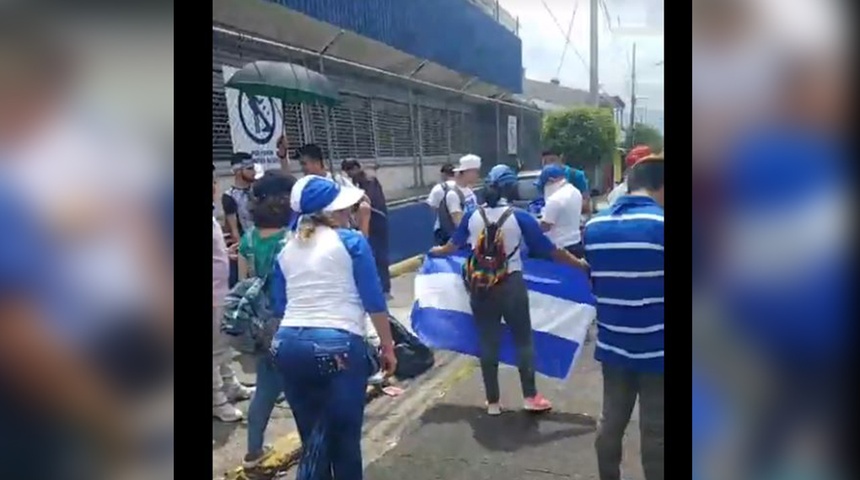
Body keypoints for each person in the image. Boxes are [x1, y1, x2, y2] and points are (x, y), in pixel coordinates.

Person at [429, 165, 589, 416]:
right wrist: (579, 264)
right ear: (509, 190)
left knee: (487, 340)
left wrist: (431, 254)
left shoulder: (472, 215)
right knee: (523, 340)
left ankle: (493, 403)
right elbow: (552, 251)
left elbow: (449, 248)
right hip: (511, 283)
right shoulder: (520, 217)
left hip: (481, 286)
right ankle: (530, 397)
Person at [269, 175, 397, 480]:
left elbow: (279, 307)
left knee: (313, 440)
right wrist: (388, 346)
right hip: (338, 345)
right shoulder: (351, 241)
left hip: (287, 346)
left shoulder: (284, 248)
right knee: (344, 444)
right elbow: (373, 300)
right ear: (334, 211)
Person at [583, 154, 664, 480]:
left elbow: (596, 281)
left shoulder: (594, 227)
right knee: (656, 432)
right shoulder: (661, 226)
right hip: (658, 349)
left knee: (611, 422)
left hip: (614, 345)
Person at [236, 171, 296, 468]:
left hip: (260, 325)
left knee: (265, 390)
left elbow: (245, 282)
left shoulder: (248, 239)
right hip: (289, 323)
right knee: (299, 388)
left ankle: (253, 451)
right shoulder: (291, 240)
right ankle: (314, 447)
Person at [213, 165, 254, 422]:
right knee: (214, 350)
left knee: (223, 344)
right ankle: (217, 401)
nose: (215, 185)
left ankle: (230, 385)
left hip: (220, 289)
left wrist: (223, 256)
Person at [341, 159, 391, 298]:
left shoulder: (369, 181)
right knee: (368, 255)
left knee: (380, 255)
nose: (349, 174)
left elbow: (369, 201)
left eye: (350, 170)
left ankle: (384, 289)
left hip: (377, 221)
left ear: (357, 168)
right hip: (365, 221)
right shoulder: (355, 183)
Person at [222, 152, 258, 286]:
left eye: (253, 168)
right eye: (249, 169)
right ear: (237, 171)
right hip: (246, 246)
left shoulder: (258, 189)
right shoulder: (229, 196)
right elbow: (234, 231)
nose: (254, 172)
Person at [535, 164, 584, 258]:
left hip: (560, 248)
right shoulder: (575, 191)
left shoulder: (555, 199)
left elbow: (545, 227)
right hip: (576, 243)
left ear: (551, 181)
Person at [541, 149, 591, 216]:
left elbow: (586, 203)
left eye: (552, 160)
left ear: (560, 158)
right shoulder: (543, 179)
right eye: (545, 162)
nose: (549, 165)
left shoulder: (575, 175)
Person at [443, 154, 481, 228]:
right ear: (466, 172)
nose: (477, 175)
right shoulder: (453, 194)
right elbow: (459, 223)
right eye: (475, 172)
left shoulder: (469, 191)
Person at [425, 163, 456, 245]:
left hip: (443, 230)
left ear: (443, 174)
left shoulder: (438, 188)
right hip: (463, 229)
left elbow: (432, 206)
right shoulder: (463, 187)